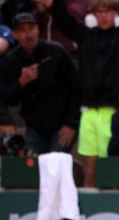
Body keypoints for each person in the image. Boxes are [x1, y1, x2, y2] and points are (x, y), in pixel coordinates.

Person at [53, 0, 119, 186]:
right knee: (90, 171)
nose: (104, 16)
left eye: (109, 11)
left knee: (115, 169)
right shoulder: (85, 36)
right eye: (100, 11)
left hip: (116, 112)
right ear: (94, 12)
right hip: (90, 112)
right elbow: (60, 16)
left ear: (115, 12)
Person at [0, 12, 80, 155]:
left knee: (55, 164)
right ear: (15, 35)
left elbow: (76, 87)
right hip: (35, 127)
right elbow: (9, 99)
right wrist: (21, 82)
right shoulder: (11, 60)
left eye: (31, 28)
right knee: (35, 169)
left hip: (62, 124)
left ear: (37, 29)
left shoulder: (56, 52)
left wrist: (71, 123)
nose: (28, 34)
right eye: (22, 30)